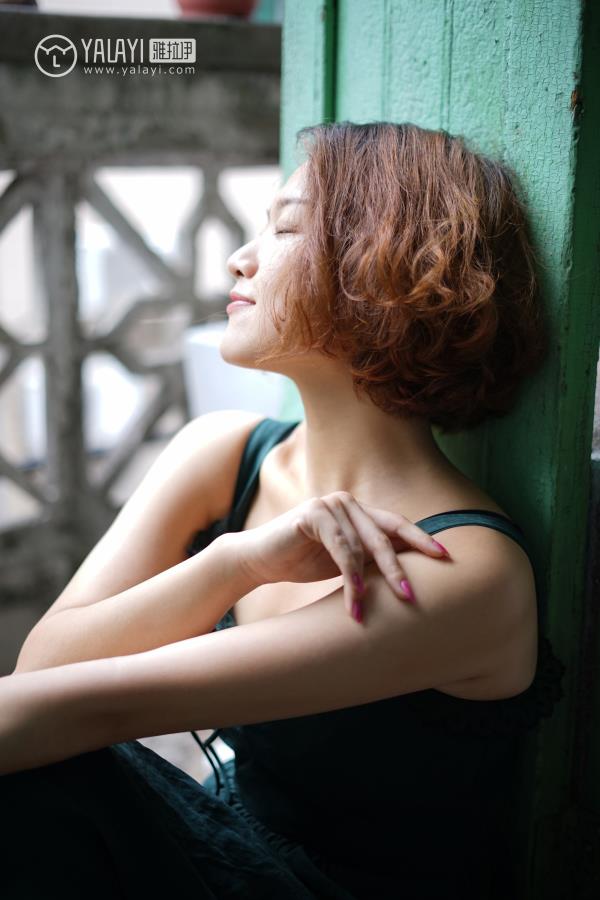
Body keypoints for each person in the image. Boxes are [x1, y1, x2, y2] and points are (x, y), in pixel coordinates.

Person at [0, 121, 565, 900]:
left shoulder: (465, 570)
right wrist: (237, 562)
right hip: (222, 842)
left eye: (287, 228)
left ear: (383, 265)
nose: (241, 258)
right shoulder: (224, 452)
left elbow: (74, 709)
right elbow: (44, 669)